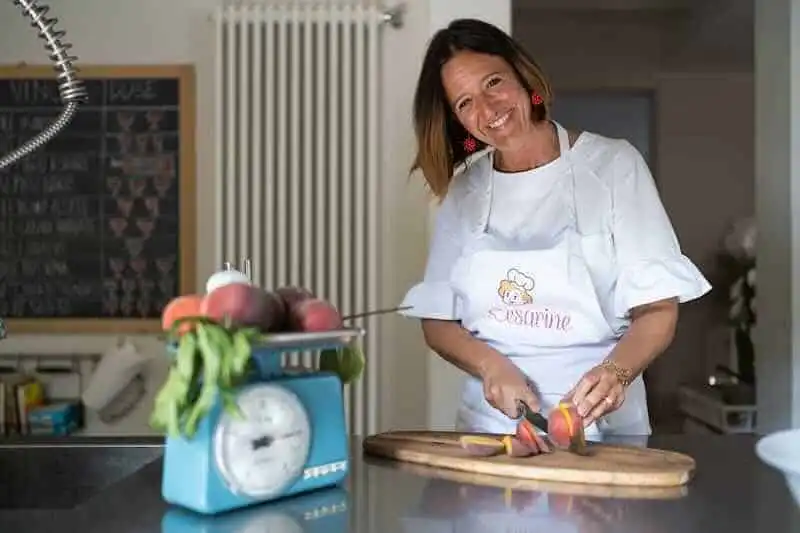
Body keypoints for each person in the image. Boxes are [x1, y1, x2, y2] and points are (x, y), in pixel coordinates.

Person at [399, 18, 712, 444]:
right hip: (494, 430)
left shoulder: (614, 166)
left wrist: (615, 372)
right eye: (465, 102)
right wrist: (491, 366)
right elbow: (438, 322)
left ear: (522, 75)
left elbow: (658, 309)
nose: (488, 109)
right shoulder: (464, 191)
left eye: (494, 82)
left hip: (599, 428)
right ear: (458, 120)